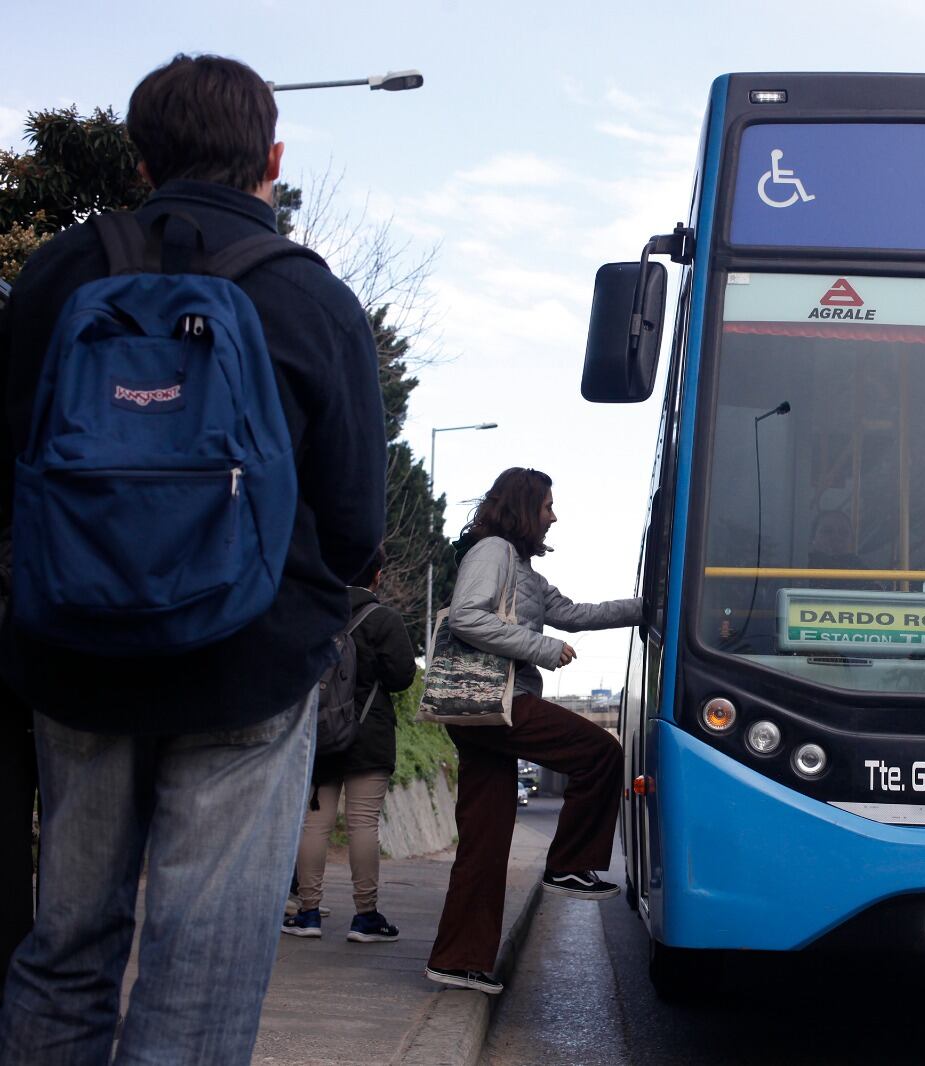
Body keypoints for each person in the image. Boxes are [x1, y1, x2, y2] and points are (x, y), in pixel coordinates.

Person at [0, 55, 385, 1064]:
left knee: (67, 942)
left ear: (139, 159)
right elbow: (354, 519)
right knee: (197, 966)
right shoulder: (308, 297)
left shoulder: (58, 275)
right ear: (272, 157)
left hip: (75, 654)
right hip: (245, 666)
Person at [426, 467, 640, 995]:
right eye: (547, 506)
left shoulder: (523, 568)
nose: (554, 516)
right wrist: (542, 649)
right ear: (525, 507)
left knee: (486, 839)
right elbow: (466, 619)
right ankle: (569, 864)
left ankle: (458, 960)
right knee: (600, 752)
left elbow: (574, 613)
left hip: (486, 712)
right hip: (497, 701)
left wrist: (652, 606)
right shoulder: (492, 551)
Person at [283, 548, 416, 943]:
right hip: (368, 737)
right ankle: (366, 917)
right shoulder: (384, 620)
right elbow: (402, 677)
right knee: (362, 824)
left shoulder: (317, 616)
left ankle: (307, 913)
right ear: (377, 575)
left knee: (315, 825)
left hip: (322, 738)